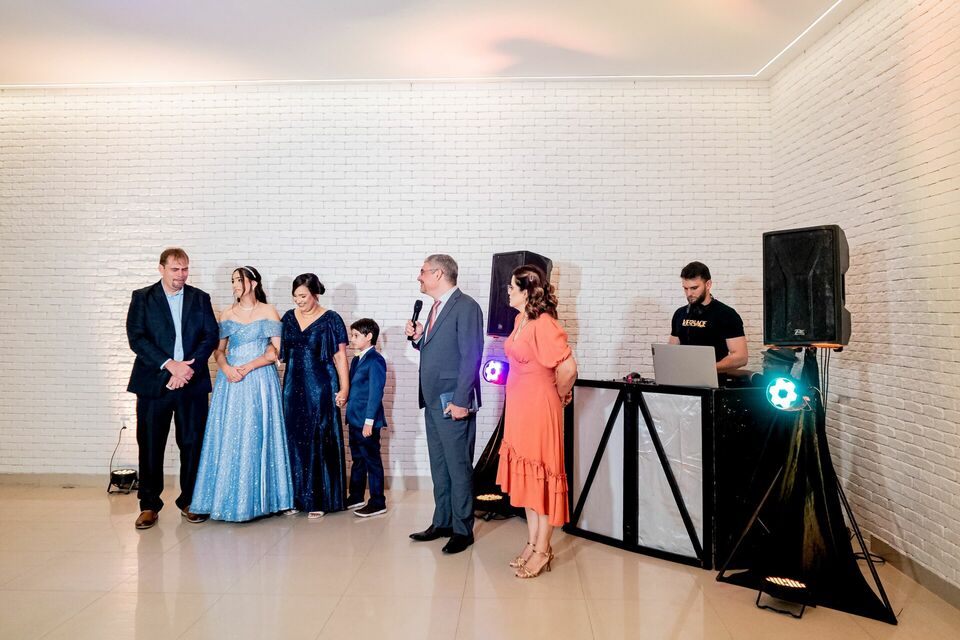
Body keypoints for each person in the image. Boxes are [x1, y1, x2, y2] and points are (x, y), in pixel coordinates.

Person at [189, 267, 293, 521]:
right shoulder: (227, 313)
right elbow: (218, 350)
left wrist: (250, 366)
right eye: (232, 280)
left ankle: (262, 501)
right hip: (231, 380)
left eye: (239, 280)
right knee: (231, 434)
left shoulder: (268, 311)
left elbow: (277, 351)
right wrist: (226, 368)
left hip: (259, 379)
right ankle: (224, 499)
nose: (235, 284)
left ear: (253, 283)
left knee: (258, 431)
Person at [126, 248, 219, 530]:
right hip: (154, 384)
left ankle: (190, 501)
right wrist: (170, 365)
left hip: (191, 382)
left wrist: (187, 369)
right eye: (175, 269)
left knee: (192, 443)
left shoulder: (200, 298)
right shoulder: (142, 297)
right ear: (161, 269)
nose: (181, 275)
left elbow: (210, 336)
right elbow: (137, 338)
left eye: (185, 269)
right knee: (150, 444)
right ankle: (149, 505)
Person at [496, 264, 578, 578]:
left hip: (539, 408)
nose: (507, 291)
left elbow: (568, 368)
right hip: (520, 406)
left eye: (512, 287)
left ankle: (543, 550)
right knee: (528, 479)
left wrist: (559, 394)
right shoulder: (521, 320)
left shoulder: (544, 323)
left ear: (527, 291)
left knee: (541, 476)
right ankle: (532, 543)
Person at [404, 254, 484, 555]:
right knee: (440, 465)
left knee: (458, 466)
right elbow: (440, 349)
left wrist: (462, 401)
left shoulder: (466, 306)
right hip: (432, 399)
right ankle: (443, 522)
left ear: (438, 274)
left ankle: (463, 530)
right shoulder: (435, 307)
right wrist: (418, 339)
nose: (419, 277)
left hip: (453, 401)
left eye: (423, 271)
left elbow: (471, 355)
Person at [280, 273, 350, 518]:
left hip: (321, 386)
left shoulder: (331, 319)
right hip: (292, 386)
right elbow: (277, 350)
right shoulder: (288, 318)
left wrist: (344, 388)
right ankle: (295, 497)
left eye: (303, 296)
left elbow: (340, 357)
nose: (299, 301)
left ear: (315, 294)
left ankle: (319, 499)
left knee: (319, 438)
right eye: (295, 296)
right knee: (293, 439)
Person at [344, 318, 389, 518]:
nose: (352, 339)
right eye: (351, 335)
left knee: (372, 460)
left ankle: (378, 502)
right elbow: (355, 388)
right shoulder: (356, 360)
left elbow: (375, 393)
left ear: (369, 336)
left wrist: (369, 421)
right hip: (354, 418)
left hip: (366, 421)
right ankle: (356, 496)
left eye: (356, 335)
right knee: (358, 459)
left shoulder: (376, 360)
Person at [669, 261, 748, 373]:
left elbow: (741, 357)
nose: (689, 293)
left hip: (713, 379)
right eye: (685, 288)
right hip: (683, 377)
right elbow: (672, 351)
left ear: (708, 284)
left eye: (694, 288)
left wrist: (706, 369)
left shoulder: (727, 315)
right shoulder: (679, 314)